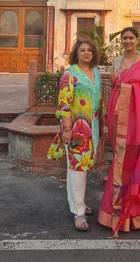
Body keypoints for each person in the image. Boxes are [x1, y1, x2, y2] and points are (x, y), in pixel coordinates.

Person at [97, 26, 140, 239]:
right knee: (119, 163)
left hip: (137, 120)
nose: (127, 41)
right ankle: (115, 212)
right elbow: (114, 88)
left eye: (131, 38)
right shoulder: (116, 62)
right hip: (118, 118)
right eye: (124, 38)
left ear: (137, 40)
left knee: (136, 165)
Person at [47, 39, 103, 231]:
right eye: (82, 50)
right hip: (77, 129)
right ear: (76, 54)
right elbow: (64, 104)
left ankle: (78, 203)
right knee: (77, 169)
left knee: (81, 167)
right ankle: (78, 212)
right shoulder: (70, 74)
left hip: (93, 127)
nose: (86, 53)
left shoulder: (96, 72)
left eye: (89, 50)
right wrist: (68, 129)